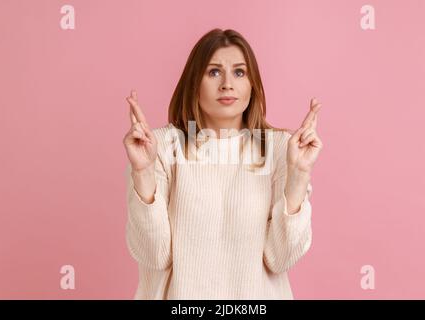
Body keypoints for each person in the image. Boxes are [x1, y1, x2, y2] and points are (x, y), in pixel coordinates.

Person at [122, 28, 323, 299]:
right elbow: (153, 255)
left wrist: (299, 175)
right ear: (194, 82)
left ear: (253, 83)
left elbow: (281, 259)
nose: (227, 83)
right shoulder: (160, 147)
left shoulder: (280, 149)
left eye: (239, 72)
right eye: (214, 72)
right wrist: (143, 173)